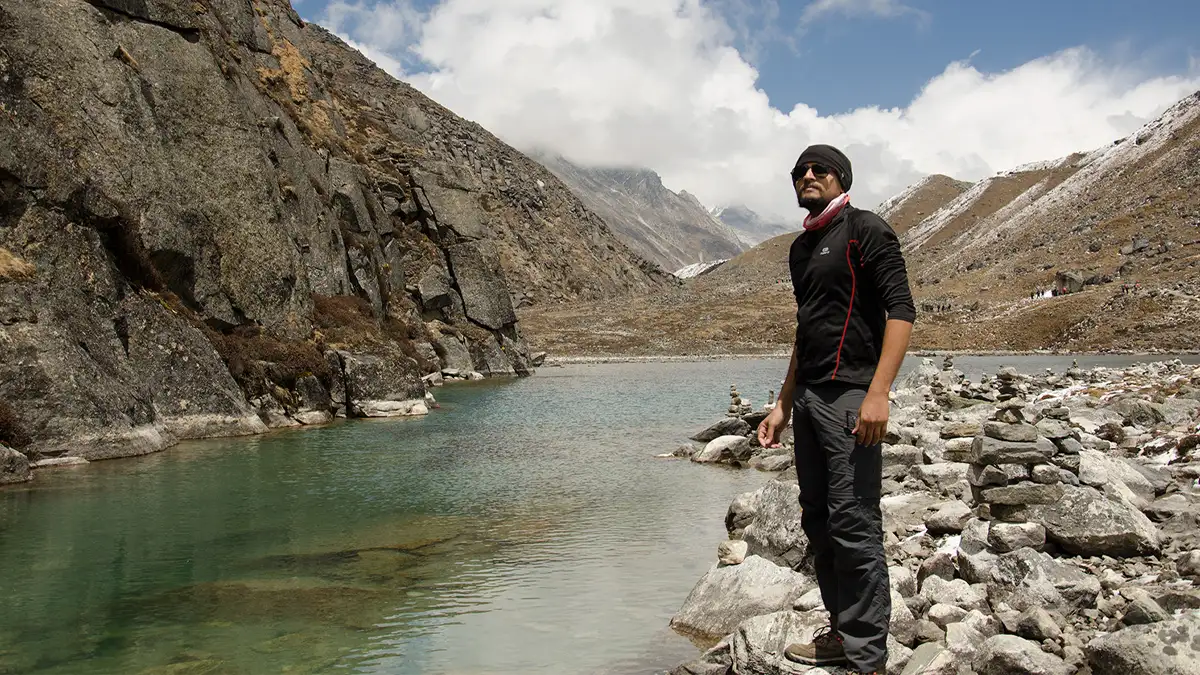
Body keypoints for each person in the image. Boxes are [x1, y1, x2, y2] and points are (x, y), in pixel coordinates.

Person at [757, 144, 916, 675]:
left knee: (853, 521)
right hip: (808, 399)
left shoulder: (865, 229)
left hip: (852, 397)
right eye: (799, 171)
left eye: (819, 169)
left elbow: (901, 310)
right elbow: (805, 331)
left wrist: (878, 392)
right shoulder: (801, 249)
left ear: (840, 178)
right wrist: (782, 404)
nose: (808, 175)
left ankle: (868, 658)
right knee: (818, 519)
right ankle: (841, 632)